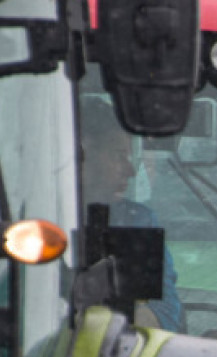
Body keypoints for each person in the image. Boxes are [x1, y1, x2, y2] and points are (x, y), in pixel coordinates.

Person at [79, 96, 184, 331]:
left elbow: (163, 313)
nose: (131, 170)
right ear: (82, 155)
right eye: (118, 156)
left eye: (129, 157)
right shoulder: (30, 224)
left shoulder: (134, 221)